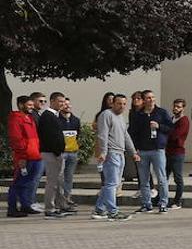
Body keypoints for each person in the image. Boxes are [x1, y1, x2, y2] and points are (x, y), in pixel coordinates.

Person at [92, 93, 138, 222]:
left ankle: (99, 209)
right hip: (111, 153)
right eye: (119, 103)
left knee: (112, 184)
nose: (122, 106)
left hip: (120, 152)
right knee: (112, 184)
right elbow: (103, 135)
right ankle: (113, 212)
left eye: (124, 104)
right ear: (112, 103)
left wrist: (133, 152)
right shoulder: (106, 115)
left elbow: (126, 136)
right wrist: (103, 152)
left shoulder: (121, 117)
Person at [129, 90, 173, 213]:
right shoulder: (138, 115)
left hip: (157, 150)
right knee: (144, 179)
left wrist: (159, 126)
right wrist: (135, 149)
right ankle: (146, 204)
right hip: (143, 150)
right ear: (143, 100)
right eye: (148, 98)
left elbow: (171, 128)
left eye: (153, 97)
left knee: (161, 178)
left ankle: (163, 203)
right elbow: (133, 133)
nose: (151, 99)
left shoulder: (161, 112)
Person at [35, 92, 70, 217]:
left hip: (56, 153)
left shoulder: (55, 115)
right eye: (60, 101)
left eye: (63, 101)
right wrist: (57, 152)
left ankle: (60, 205)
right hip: (51, 153)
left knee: (58, 182)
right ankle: (49, 209)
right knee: (52, 182)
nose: (62, 104)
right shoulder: (48, 116)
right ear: (52, 101)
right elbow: (49, 137)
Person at [6, 96, 42, 217]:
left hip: (34, 155)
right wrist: (22, 156)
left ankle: (25, 205)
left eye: (32, 105)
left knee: (28, 183)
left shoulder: (29, 118)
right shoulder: (16, 119)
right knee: (18, 183)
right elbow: (16, 139)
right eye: (29, 105)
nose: (32, 107)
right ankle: (12, 208)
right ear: (21, 105)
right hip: (24, 157)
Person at [166, 98, 190, 209]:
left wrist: (166, 132)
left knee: (178, 178)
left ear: (183, 108)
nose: (176, 108)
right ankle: (162, 198)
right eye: (175, 106)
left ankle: (178, 201)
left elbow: (175, 135)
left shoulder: (184, 120)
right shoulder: (171, 119)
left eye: (179, 107)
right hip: (167, 151)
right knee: (164, 176)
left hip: (177, 152)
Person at [58, 97, 81, 211]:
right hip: (61, 153)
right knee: (60, 177)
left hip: (73, 152)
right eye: (64, 104)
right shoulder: (57, 119)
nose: (67, 106)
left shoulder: (75, 120)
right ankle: (60, 200)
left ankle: (67, 198)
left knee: (69, 177)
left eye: (68, 104)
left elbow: (78, 135)